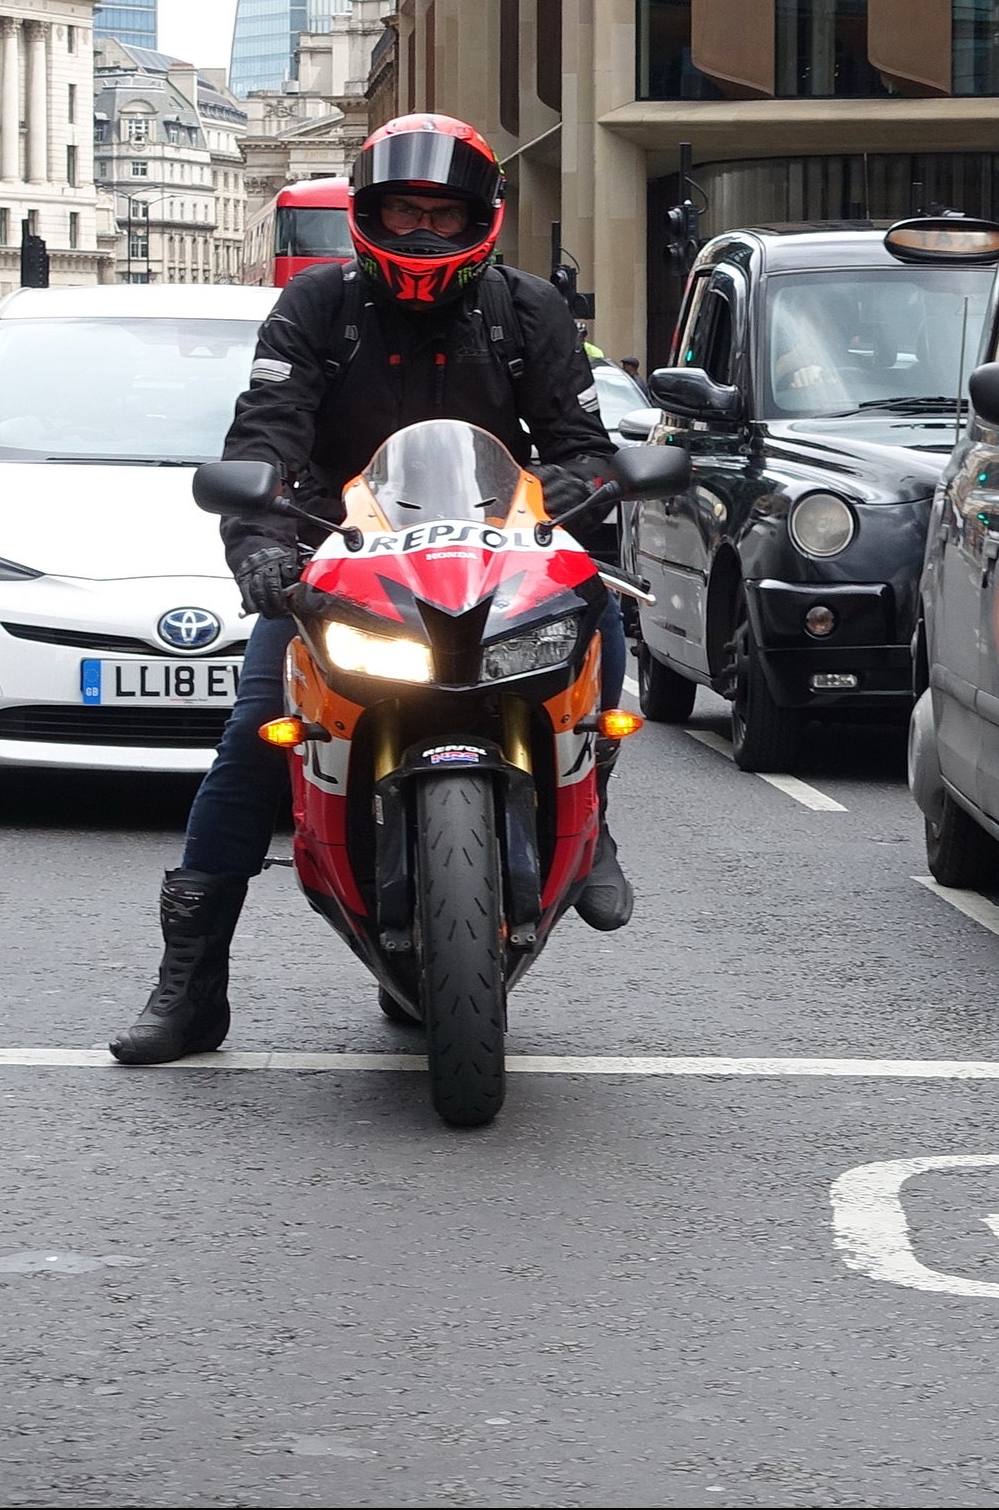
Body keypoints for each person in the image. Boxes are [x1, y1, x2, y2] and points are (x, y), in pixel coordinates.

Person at [109, 114, 631, 1068]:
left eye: (442, 213)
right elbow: (265, 438)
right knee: (254, 733)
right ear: (367, 216)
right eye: (403, 211)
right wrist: (263, 549)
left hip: (501, 560)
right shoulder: (314, 309)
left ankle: (591, 807)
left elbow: (586, 447)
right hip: (342, 562)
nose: (424, 232)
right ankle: (189, 988)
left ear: (481, 218)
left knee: (596, 619)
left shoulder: (531, 312)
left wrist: (570, 491)